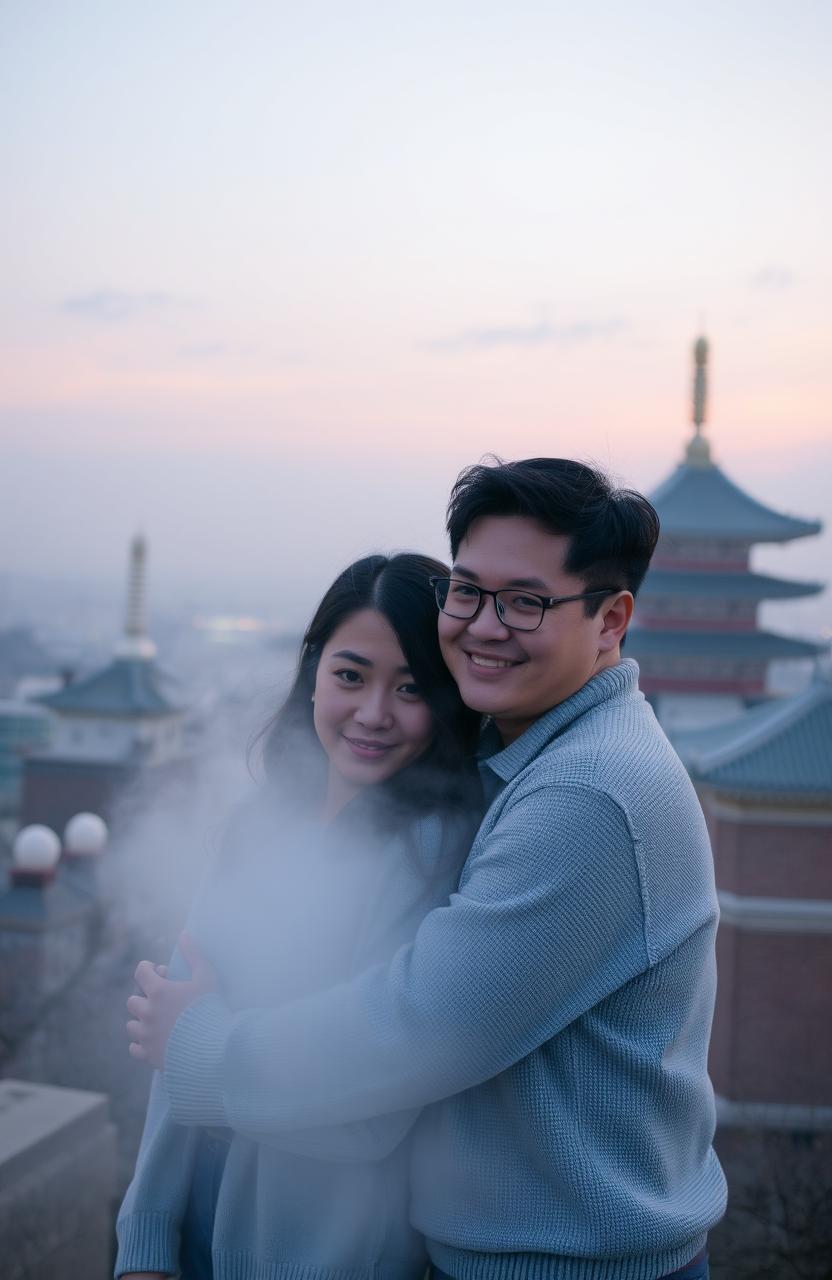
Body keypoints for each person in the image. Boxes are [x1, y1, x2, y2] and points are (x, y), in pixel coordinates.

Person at [131, 458, 728, 1280]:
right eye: (470, 591)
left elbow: (418, 1027)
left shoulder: (590, 794)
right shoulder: (523, 762)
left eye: (527, 602)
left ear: (610, 619)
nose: (486, 625)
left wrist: (203, 1051)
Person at [117, 552, 482, 1280]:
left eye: (411, 688)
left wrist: (198, 1047)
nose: (373, 713)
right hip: (196, 1231)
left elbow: (372, 1110)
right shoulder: (259, 825)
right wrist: (147, 1239)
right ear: (313, 673)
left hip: (329, 1253)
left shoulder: (437, 861)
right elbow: (173, 1044)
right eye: (350, 676)